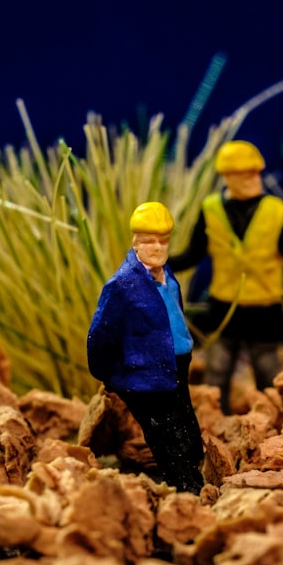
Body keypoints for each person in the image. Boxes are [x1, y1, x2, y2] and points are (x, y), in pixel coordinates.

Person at [169, 139, 283, 414]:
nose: (254, 178)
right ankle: (218, 420)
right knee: (217, 368)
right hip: (223, 305)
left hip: (264, 307)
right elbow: (194, 253)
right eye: (246, 173)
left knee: (267, 368)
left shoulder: (276, 211)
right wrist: (161, 263)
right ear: (228, 177)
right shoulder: (211, 209)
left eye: (256, 172)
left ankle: (274, 419)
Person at [87, 201, 204, 494]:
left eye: (163, 241)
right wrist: (107, 375)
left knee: (187, 427)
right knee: (165, 432)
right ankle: (183, 487)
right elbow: (102, 333)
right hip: (145, 372)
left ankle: (193, 477)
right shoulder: (122, 285)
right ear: (135, 242)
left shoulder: (168, 277)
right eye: (149, 241)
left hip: (178, 362)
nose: (157, 248)